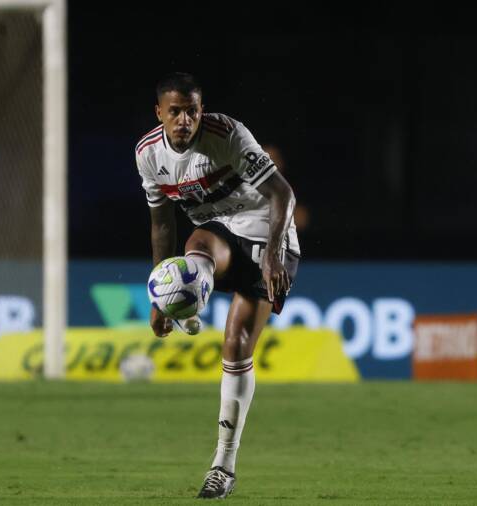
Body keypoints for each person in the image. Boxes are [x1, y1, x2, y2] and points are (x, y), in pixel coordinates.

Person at [135, 72, 301, 499]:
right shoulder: (149, 155)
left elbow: (282, 194)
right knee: (198, 242)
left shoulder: (226, 135)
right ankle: (185, 300)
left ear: (200, 110)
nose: (184, 120)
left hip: (269, 230)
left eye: (191, 110)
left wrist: (273, 255)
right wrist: (158, 296)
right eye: (175, 112)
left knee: (236, 345)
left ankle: (223, 466)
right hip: (219, 230)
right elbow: (160, 225)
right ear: (160, 113)